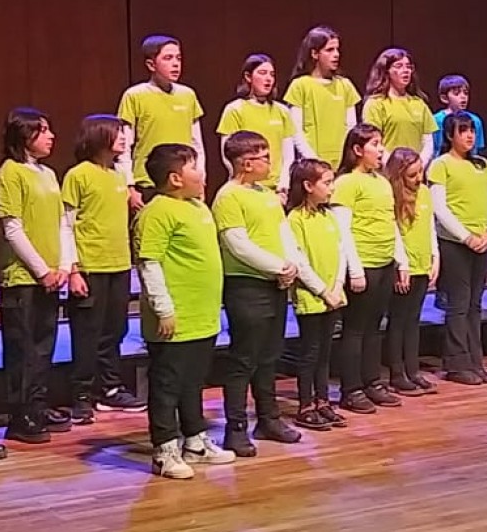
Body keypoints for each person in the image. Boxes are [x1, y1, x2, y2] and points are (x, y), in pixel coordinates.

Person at [133, 144, 234, 479]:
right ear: (175, 178)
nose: (201, 173)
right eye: (194, 167)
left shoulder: (197, 208)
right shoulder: (157, 212)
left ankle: (195, 440)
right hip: (174, 320)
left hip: (202, 317)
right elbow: (150, 263)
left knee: (193, 383)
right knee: (168, 385)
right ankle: (164, 450)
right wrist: (163, 309)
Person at [212, 131, 311, 456]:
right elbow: (237, 243)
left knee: (270, 354)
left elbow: (283, 233)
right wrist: (276, 267)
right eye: (264, 156)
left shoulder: (267, 195)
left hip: (275, 283)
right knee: (245, 358)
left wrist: (292, 265)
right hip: (247, 285)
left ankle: (268, 418)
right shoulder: (228, 197)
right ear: (246, 161)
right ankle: (235, 427)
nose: (270, 162)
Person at [0, 108, 73, 445]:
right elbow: (12, 228)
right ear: (25, 137)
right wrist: (41, 270)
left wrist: (65, 265)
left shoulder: (49, 174)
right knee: (23, 348)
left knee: (44, 347)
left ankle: (38, 406)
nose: (51, 136)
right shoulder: (9, 174)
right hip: (23, 277)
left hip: (51, 275)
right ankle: (20, 414)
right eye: (42, 131)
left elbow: (62, 223)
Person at [62, 114, 145, 422]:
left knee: (115, 329)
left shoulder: (118, 176)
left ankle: (109, 389)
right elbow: (67, 224)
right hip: (90, 267)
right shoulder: (78, 175)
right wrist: (73, 269)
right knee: (87, 333)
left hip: (119, 265)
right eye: (117, 134)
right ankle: (81, 394)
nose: (124, 139)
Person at [331, 124, 407, 413]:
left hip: (385, 262)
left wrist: (401, 260)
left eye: (381, 143)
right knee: (355, 329)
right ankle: (351, 389)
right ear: (357, 150)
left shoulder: (383, 181)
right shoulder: (347, 183)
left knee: (375, 327)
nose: (381, 149)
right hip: (362, 264)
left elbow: (391, 223)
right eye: (375, 144)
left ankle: (373, 381)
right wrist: (355, 269)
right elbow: (342, 230)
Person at [428, 112, 487, 385]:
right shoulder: (440, 165)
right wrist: (466, 236)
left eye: (472, 130)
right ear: (450, 135)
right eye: (463, 131)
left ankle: (475, 359)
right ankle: (457, 363)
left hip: (482, 241)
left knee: (475, 304)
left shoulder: (482, 165)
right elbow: (440, 208)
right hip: (456, 244)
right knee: (458, 304)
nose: (469, 136)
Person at [285, 157, 351, 430]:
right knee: (310, 352)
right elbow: (298, 260)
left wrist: (337, 285)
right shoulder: (295, 219)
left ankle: (323, 400)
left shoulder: (329, 216)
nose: (332, 188)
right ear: (308, 186)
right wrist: (323, 291)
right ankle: (305, 404)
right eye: (327, 183)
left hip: (333, 295)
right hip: (312, 297)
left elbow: (341, 251)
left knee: (325, 352)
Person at [117, 34, 206, 207]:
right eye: (168, 58)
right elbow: (125, 146)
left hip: (184, 182)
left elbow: (197, 144)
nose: (175, 64)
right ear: (151, 64)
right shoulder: (135, 95)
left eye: (178, 58)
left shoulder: (187, 95)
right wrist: (129, 186)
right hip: (148, 182)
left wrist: (200, 177)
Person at [383, 147, 439, 395]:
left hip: (423, 264)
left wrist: (435, 257)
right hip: (404, 268)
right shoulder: (392, 197)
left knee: (414, 320)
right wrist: (400, 266)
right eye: (413, 175)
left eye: (420, 173)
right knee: (398, 321)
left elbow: (430, 228)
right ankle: (397, 373)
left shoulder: (425, 193)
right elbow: (395, 233)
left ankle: (413, 370)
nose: (419, 179)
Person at [217, 53, 295, 193]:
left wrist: (284, 182)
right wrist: (244, 180)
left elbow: (288, 154)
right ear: (248, 77)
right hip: (246, 186)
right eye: (262, 73)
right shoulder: (235, 109)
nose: (268, 79)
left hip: (276, 188)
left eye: (271, 74)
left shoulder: (282, 111)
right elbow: (227, 154)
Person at [285, 25, 360, 167]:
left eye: (337, 49)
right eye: (330, 50)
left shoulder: (345, 85)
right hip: (312, 165)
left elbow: (351, 128)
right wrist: (313, 160)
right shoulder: (300, 85)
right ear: (314, 54)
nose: (336, 54)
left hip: (341, 164)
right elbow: (295, 130)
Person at [361, 47, 438, 159]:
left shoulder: (419, 103)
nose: (406, 70)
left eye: (408, 66)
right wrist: (392, 165)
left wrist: (418, 163)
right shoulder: (375, 103)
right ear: (386, 71)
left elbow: (427, 140)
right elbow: (373, 141)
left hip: (415, 170)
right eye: (399, 66)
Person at [433, 74, 485, 154]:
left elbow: (477, 149)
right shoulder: (436, 120)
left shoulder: (475, 120)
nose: (463, 97)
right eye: (456, 93)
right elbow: (435, 148)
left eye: (465, 93)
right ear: (444, 98)